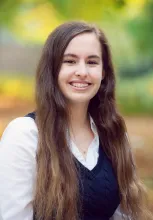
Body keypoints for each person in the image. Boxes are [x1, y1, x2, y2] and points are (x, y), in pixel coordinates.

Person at [0, 21, 152, 220]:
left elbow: (123, 215)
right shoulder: (25, 135)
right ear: (52, 70)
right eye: (70, 61)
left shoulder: (113, 135)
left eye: (92, 62)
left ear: (103, 72)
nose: (82, 71)